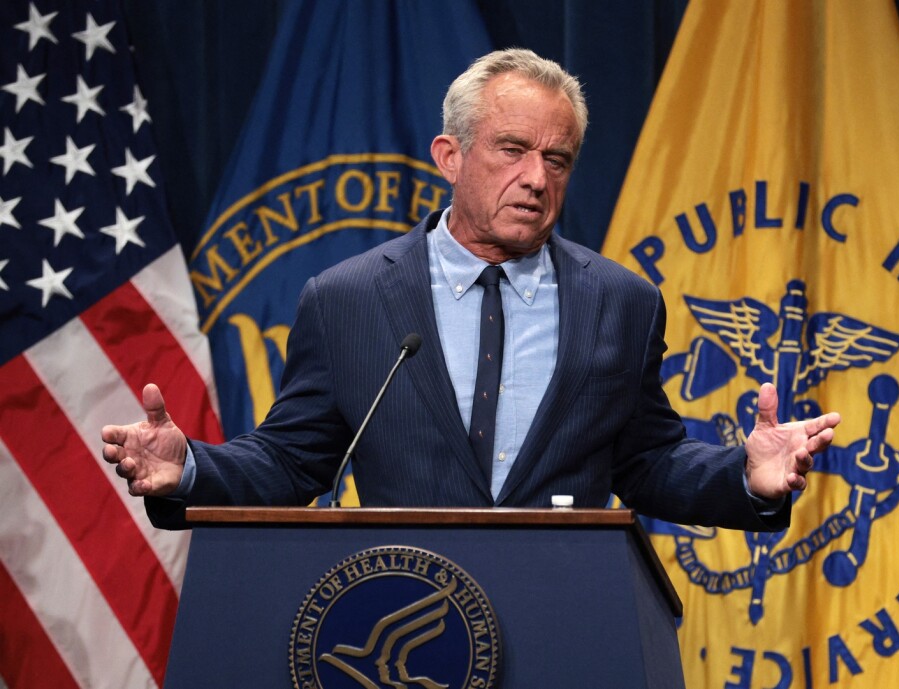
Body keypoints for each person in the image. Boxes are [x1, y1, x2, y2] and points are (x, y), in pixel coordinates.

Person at [101, 48, 840, 531]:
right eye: (513, 150)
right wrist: (188, 466)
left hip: (566, 624)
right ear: (451, 157)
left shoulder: (621, 302)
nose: (537, 178)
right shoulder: (348, 299)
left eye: (558, 159)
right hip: (401, 612)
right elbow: (293, 463)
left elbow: (648, 461)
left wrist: (744, 473)